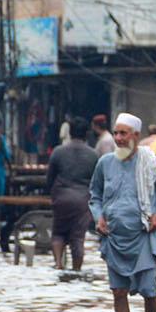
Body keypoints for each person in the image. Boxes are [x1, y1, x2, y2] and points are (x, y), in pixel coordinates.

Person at [90, 112, 156, 312]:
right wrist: (98, 217)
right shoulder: (105, 163)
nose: (118, 138)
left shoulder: (153, 163)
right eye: (116, 133)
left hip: (143, 237)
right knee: (118, 292)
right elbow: (95, 196)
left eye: (123, 133)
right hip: (114, 237)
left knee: (149, 291)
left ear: (136, 136)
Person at [46, 114, 97, 272]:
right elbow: (98, 182)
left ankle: (58, 264)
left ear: (70, 132)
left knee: (58, 233)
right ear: (87, 133)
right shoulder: (93, 154)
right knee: (77, 238)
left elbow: (50, 177)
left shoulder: (58, 151)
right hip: (82, 200)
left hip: (61, 197)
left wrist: (52, 194)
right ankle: (77, 270)